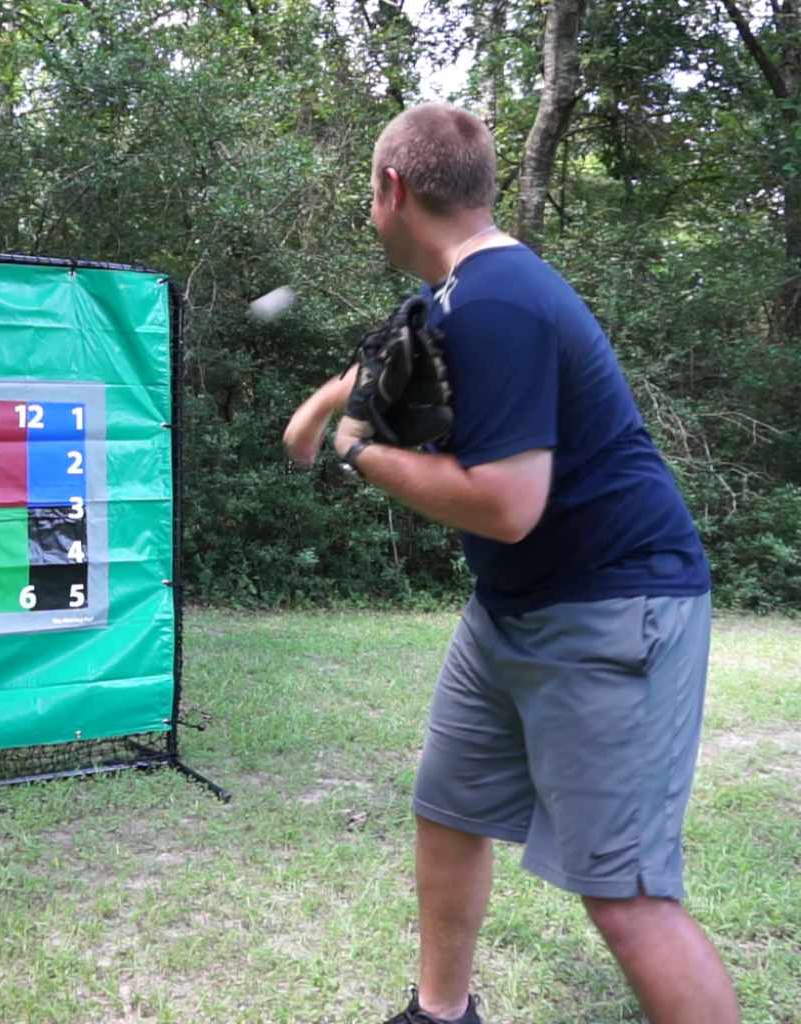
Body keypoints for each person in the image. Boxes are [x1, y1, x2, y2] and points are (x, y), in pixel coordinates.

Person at [282, 104, 740, 1024]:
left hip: (615, 603)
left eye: (369, 197)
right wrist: (337, 413)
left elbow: (508, 505)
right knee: (449, 807)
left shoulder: (499, 303)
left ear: (392, 190)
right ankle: (441, 1012)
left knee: (627, 896)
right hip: (515, 609)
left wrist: (362, 454)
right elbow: (313, 431)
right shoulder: (454, 303)